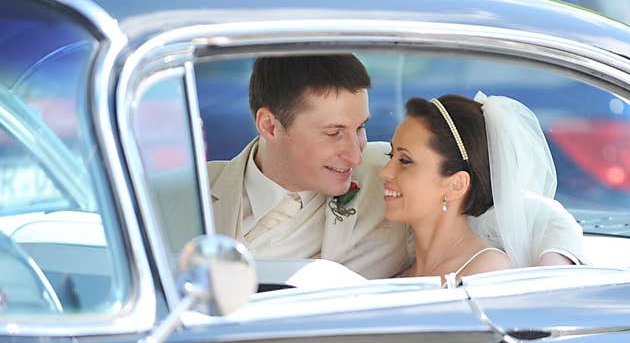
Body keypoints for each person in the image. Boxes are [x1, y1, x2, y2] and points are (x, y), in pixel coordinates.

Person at [208, 54, 584, 282]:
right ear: (270, 126)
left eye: (361, 128)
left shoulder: (382, 173)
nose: (356, 155)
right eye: (334, 133)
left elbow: (530, 212)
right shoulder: (187, 190)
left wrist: (552, 278)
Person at [380, 93, 585, 288]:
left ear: (456, 185)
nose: (385, 172)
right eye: (391, 156)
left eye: (405, 161)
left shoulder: (487, 273)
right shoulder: (398, 273)